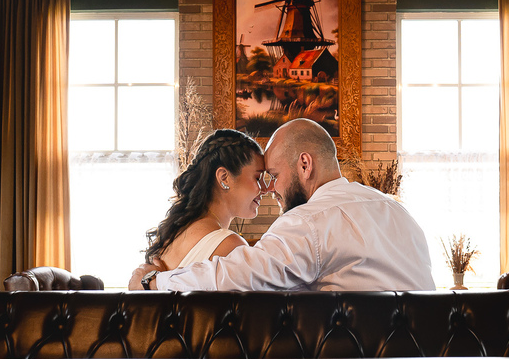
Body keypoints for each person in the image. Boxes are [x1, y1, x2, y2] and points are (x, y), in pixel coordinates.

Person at [130, 118, 434, 292]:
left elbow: (238, 274)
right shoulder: (400, 213)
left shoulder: (309, 222)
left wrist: (154, 283)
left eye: (273, 175)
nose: (270, 187)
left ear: (304, 164)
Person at [141, 128, 267, 272]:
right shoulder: (231, 246)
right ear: (224, 177)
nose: (265, 188)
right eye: (257, 178)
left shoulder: (176, 231)